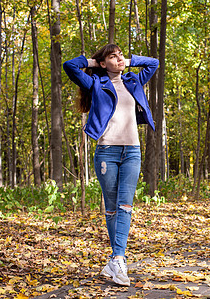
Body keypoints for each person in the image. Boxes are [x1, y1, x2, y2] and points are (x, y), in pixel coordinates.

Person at [63, 44, 159, 286]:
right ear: (103, 63)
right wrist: (95, 63)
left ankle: (117, 259)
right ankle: (116, 261)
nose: (119, 59)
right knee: (112, 208)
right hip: (107, 151)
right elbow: (70, 66)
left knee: (125, 205)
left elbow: (153, 63)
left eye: (120, 55)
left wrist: (127, 60)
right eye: (112, 56)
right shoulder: (96, 84)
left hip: (133, 151)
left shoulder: (133, 81)